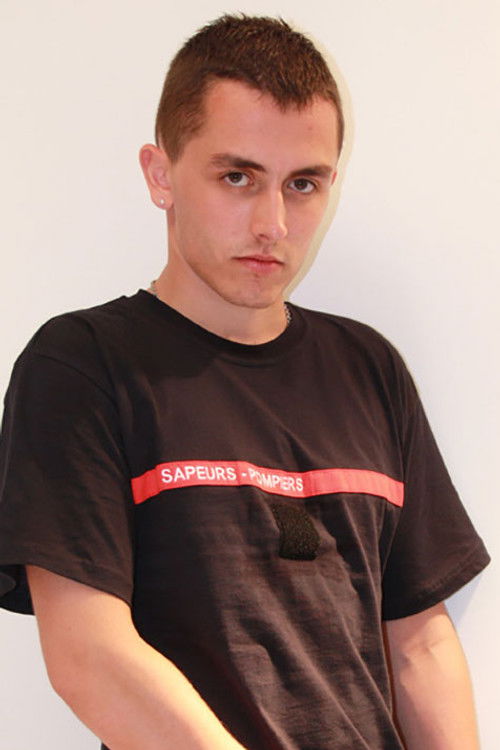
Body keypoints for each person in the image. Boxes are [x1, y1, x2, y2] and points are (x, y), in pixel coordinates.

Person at [0, 14, 490, 750]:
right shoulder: (83, 365)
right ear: (160, 174)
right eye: (238, 177)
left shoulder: (370, 369)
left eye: (303, 184)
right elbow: (88, 656)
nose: (274, 224)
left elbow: (420, 644)